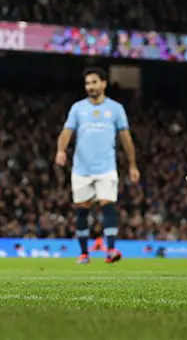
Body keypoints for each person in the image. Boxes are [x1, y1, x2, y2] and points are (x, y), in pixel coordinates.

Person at [55, 67, 139, 264]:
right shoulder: (78, 108)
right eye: (87, 83)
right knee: (82, 210)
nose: (90, 87)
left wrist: (133, 165)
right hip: (81, 168)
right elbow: (66, 132)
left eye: (94, 82)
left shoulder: (116, 109)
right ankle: (84, 254)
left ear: (103, 83)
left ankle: (110, 250)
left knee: (108, 205)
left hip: (106, 167)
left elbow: (126, 138)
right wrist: (61, 150)